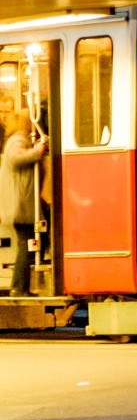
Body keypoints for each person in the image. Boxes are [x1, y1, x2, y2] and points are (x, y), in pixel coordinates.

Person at [0, 113, 46, 297]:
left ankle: (21, 287)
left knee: (26, 244)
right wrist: (38, 151)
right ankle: (19, 288)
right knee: (26, 245)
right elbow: (16, 158)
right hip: (20, 206)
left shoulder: (14, 140)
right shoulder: (17, 140)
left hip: (19, 205)